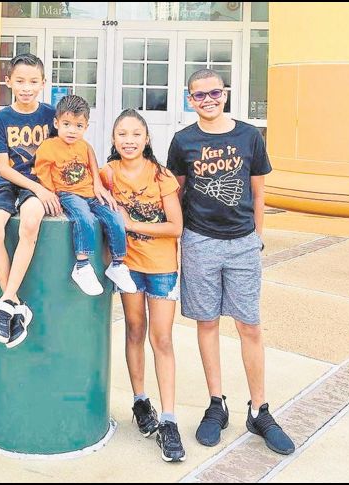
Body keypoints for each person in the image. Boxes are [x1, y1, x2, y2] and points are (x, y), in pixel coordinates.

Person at [166, 69, 295, 455]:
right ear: (190, 99)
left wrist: (257, 238)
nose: (207, 100)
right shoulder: (182, 141)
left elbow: (259, 192)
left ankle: (259, 410)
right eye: (199, 95)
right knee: (207, 324)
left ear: (225, 94)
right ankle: (216, 404)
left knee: (249, 326)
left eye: (214, 93)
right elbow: (174, 192)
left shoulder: (249, 135)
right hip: (200, 241)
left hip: (241, 243)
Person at [100, 109, 186, 463]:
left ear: (147, 139)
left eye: (136, 134)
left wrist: (131, 222)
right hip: (129, 267)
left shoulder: (161, 176)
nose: (129, 140)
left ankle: (169, 419)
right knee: (135, 329)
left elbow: (175, 227)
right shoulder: (107, 173)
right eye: (122, 134)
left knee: (161, 338)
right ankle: (140, 401)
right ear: (114, 140)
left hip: (161, 267)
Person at [0, 53, 56, 349]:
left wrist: (43, 189)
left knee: (30, 222)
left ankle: (6, 305)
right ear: (8, 81)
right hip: (8, 182)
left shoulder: (50, 115)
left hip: (40, 183)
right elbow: (3, 167)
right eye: (21, 81)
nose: (27, 87)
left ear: (43, 83)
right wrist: (36, 189)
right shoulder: (1, 118)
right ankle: (12, 301)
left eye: (33, 81)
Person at [34, 94, 136, 296]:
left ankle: (117, 264)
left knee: (115, 216)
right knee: (85, 217)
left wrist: (99, 187)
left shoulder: (84, 146)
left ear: (86, 127)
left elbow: (92, 167)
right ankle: (82, 265)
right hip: (68, 194)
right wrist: (50, 195)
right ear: (56, 123)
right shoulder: (49, 147)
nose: (72, 130)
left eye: (79, 126)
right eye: (67, 124)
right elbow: (43, 172)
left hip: (89, 193)